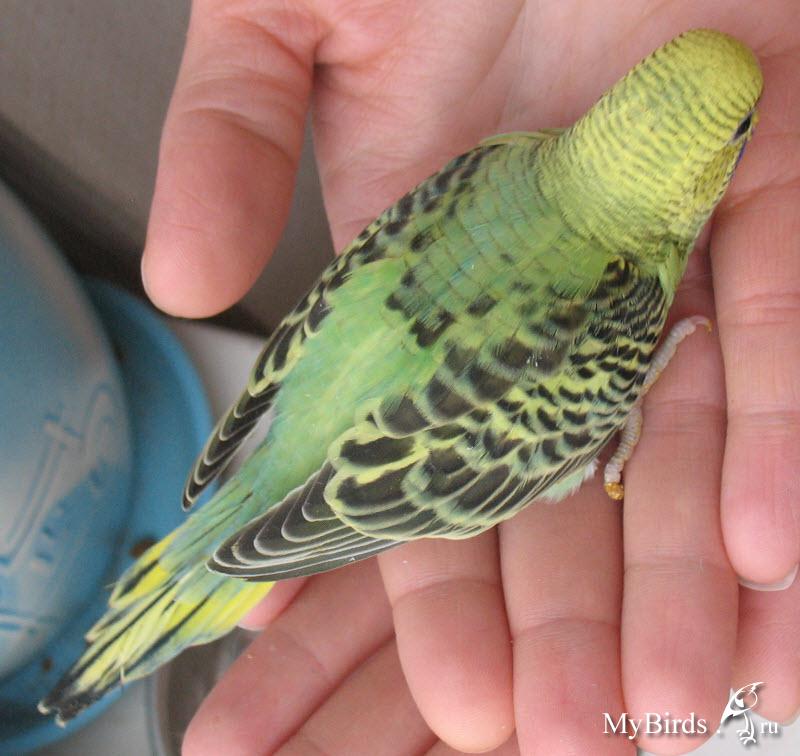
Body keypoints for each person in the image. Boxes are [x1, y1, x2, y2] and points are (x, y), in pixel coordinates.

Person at [141, 2, 800, 753]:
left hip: (323, 361)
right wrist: (625, 396)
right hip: (360, 441)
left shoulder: (511, 156)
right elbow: (516, 465)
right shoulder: (626, 304)